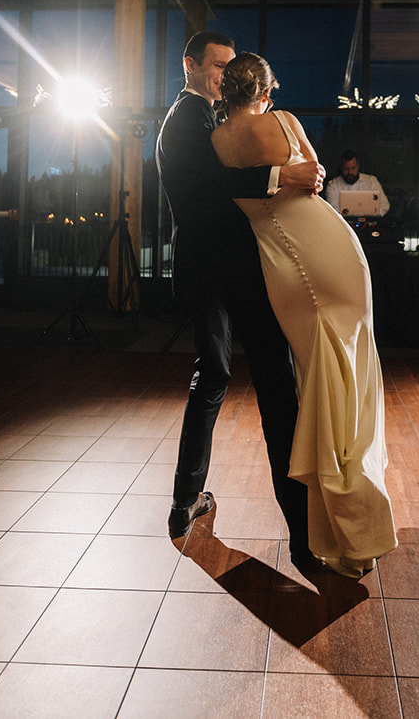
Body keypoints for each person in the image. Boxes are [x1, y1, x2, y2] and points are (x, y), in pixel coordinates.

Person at [211, 53, 397, 578]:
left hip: (289, 264)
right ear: (267, 89)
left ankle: (344, 530)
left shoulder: (218, 141)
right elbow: (315, 179)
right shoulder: (286, 121)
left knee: (322, 383)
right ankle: (353, 529)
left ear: (225, 91)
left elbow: (254, 188)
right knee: (345, 383)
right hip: (333, 250)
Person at [155, 31, 324, 571]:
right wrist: (281, 174)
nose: (225, 76)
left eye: (231, 69)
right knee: (251, 383)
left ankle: (294, 532)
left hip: (227, 271)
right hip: (217, 272)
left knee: (237, 380)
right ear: (190, 65)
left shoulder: (213, 118)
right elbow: (211, 185)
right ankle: (192, 504)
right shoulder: (184, 120)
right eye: (218, 66)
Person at [323, 150, 390, 218]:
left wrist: (372, 216)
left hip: (369, 225)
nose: (350, 172)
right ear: (341, 167)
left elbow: (385, 205)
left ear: (358, 166)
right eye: (346, 169)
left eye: (353, 168)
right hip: (343, 226)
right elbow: (333, 211)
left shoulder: (371, 181)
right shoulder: (333, 185)